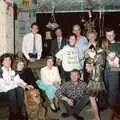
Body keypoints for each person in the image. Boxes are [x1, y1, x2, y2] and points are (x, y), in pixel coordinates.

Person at [0, 53, 33, 120]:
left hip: (12, 89)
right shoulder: (0, 72)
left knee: (20, 89)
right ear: (2, 62)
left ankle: (19, 112)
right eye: (6, 60)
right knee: (12, 91)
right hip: (2, 92)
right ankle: (14, 114)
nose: (8, 61)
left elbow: (18, 80)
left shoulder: (12, 70)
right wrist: (16, 84)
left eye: (9, 60)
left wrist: (26, 85)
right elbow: (3, 87)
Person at [85, 39, 107, 120]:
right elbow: (90, 62)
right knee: (95, 96)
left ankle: (96, 117)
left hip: (95, 80)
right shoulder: (99, 53)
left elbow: (97, 67)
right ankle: (93, 109)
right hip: (95, 79)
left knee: (92, 98)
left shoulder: (100, 54)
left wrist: (91, 58)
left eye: (97, 43)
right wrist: (90, 60)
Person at [104, 27, 120, 104]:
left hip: (114, 70)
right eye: (108, 35)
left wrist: (116, 55)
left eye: (111, 35)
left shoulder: (118, 45)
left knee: (113, 89)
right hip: (104, 70)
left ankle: (114, 109)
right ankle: (109, 104)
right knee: (106, 88)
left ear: (115, 35)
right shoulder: (104, 45)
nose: (110, 37)